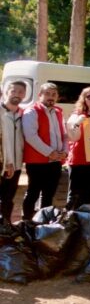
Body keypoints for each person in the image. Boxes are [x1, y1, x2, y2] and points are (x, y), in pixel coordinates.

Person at [21, 83, 68, 220]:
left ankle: (43, 221)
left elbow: (64, 135)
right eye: (47, 94)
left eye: (54, 94)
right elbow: (30, 136)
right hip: (37, 161)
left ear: (57, 97)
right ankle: (27, 221)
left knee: (49, 194)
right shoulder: (31, 111)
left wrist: (65, 151)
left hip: (55, 161)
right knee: (33, 192)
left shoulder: (59, 111)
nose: (50, 97)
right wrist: (50, 152)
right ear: (40, 95)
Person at [0, 81, 25, 224]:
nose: (17, 94)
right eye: (13, 91)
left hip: (16, 166)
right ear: (6, 92)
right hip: (3, 164)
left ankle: (6, 226)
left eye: (21, 92)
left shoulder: (22, 115)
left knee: (8, 199)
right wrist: (7, 162)